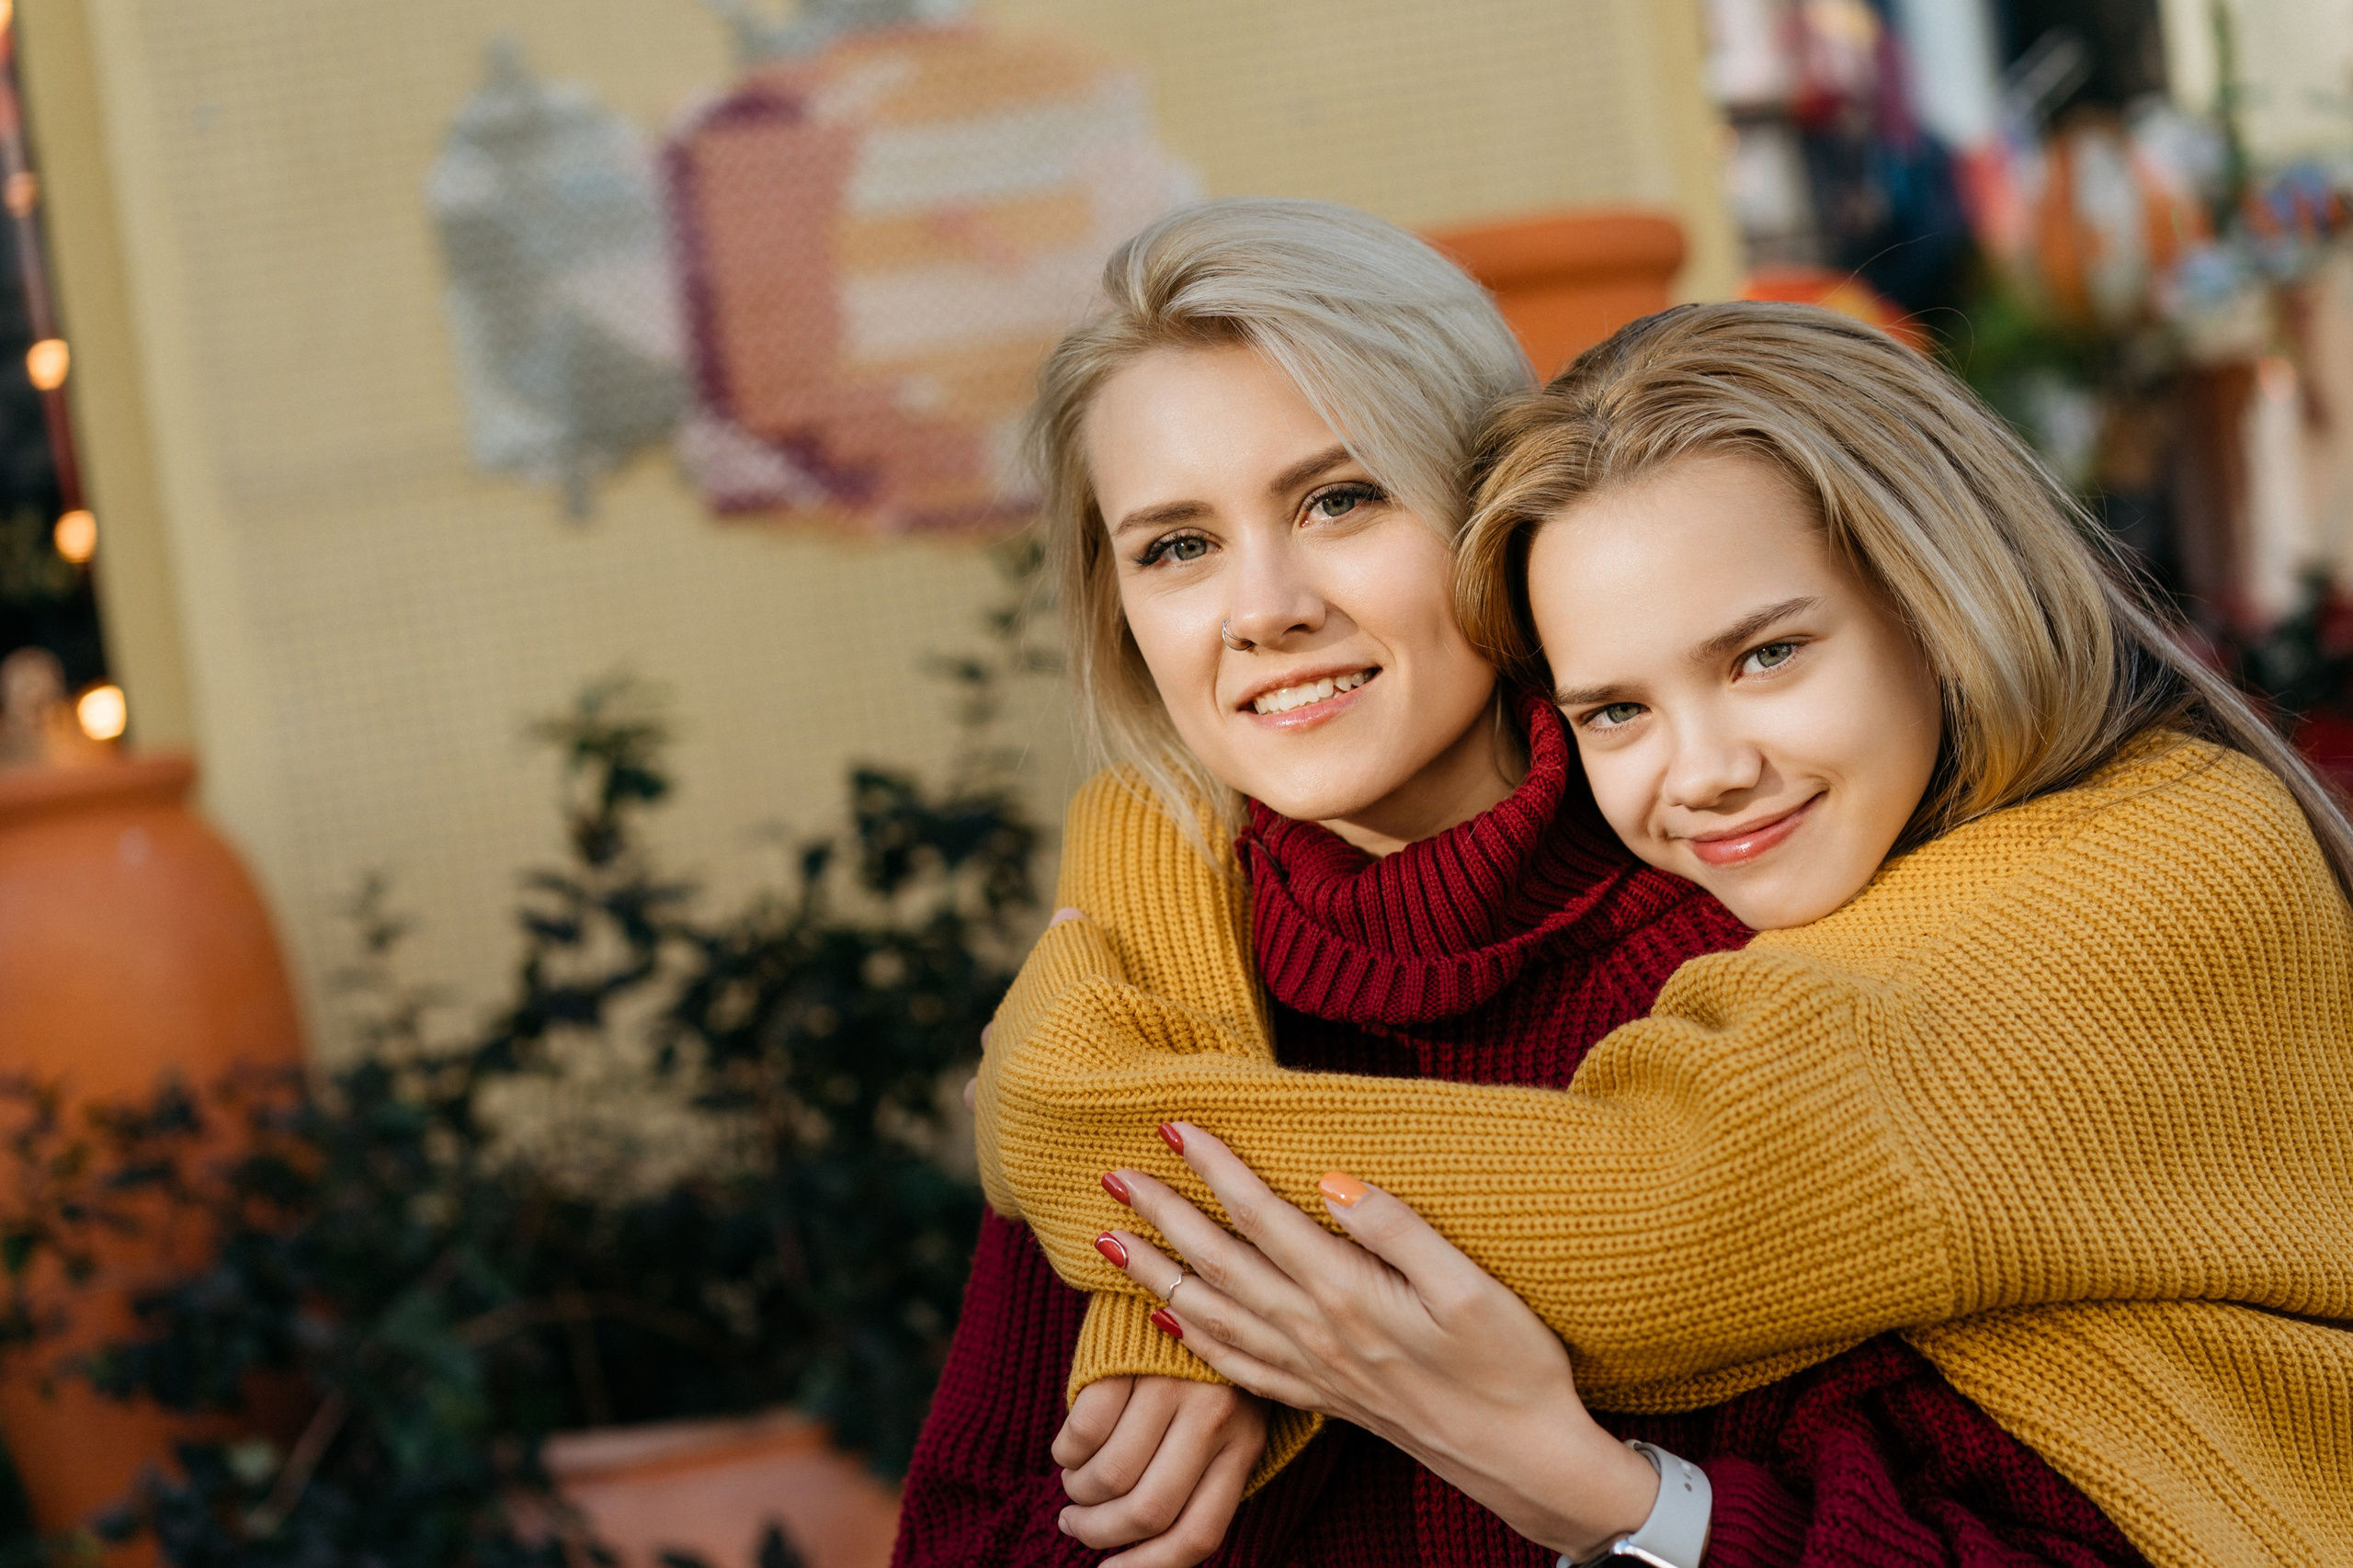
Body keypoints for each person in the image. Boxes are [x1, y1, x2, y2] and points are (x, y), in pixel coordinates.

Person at [896, 199, 2188, 1568]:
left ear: (1495, 509)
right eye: (1176, 545)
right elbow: (977, 1537)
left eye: (1341, 498)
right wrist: (1194, 1321)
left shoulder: (1771, 929)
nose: (1262, 606)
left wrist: (1611, 1498)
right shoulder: (1141, 1015)